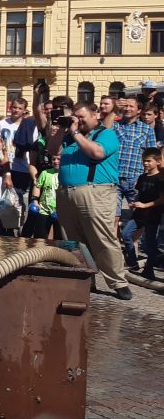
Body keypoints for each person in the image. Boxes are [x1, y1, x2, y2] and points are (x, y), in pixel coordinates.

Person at [50, 100, 131, 300]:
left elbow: (97, 152)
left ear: (95, 115)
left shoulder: (106, 134)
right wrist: (62, 129)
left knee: (101, 239)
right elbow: (52, 150)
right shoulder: (69, 137)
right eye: (75, 118)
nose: (78, 121)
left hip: (95, 192)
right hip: (67, 193)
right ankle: (84, 279)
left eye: (81, 117)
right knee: (74, 241)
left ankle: (118, 282)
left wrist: (76, 133)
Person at [115, 96, 154, 241]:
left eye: (131, 106)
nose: (127, 109)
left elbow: (151, 156)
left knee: (139, 216)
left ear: (139, 110)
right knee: (114, 215)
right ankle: (116, 248)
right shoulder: (116, 126)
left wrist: (145, 177)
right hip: (115, 177)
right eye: (125, 106)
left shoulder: (146, 130)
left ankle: (133, 247)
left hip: (135, 179)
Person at [123, 147, 162, 278]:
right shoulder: (142, 177)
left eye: (149, 161)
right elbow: (139, 193)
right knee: (126, 234)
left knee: (150, 244)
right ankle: (133, 261)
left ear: (158, 161)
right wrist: (134, 202)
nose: (145, 163)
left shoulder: (160, 179)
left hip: (152, 215)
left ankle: (149, 270)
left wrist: (145, 205)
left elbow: (162, 199)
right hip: (139, 214)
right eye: (144, 161)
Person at [26, 152, 62, 240]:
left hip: (60, 212)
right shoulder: (45, 173)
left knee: (60, 238)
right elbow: (38, 187)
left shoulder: (66, 174)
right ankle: (40, 252)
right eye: (53, 159)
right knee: (39, 237)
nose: (56, 161)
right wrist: (35, 201)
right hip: (44, 210)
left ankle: (58, 253)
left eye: (58, 159)